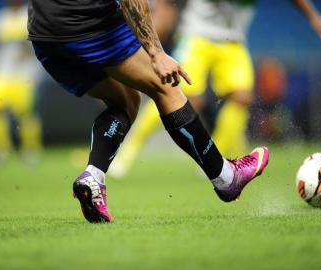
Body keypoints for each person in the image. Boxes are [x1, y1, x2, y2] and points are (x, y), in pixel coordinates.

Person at [28, 0, 269, 223]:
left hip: (44, 34)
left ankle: (93, 177)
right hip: (87, 23)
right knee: (167, 87)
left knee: (125, 100)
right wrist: (156, 53)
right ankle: (226, 177)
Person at [109, 0, 321, 178]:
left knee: (242, 97)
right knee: (177, 94)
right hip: (197, 36)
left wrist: (314, 17)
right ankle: (127, 151)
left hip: (233, 41)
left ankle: (215, 160)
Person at [0, 0, 43, 164]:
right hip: (0, 72)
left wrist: (27, 51)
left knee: (24, 113)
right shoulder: (0, 17)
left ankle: (30, 150)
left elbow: (37, 41)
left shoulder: (30, 14)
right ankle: (0, 148)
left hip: (24, 73)